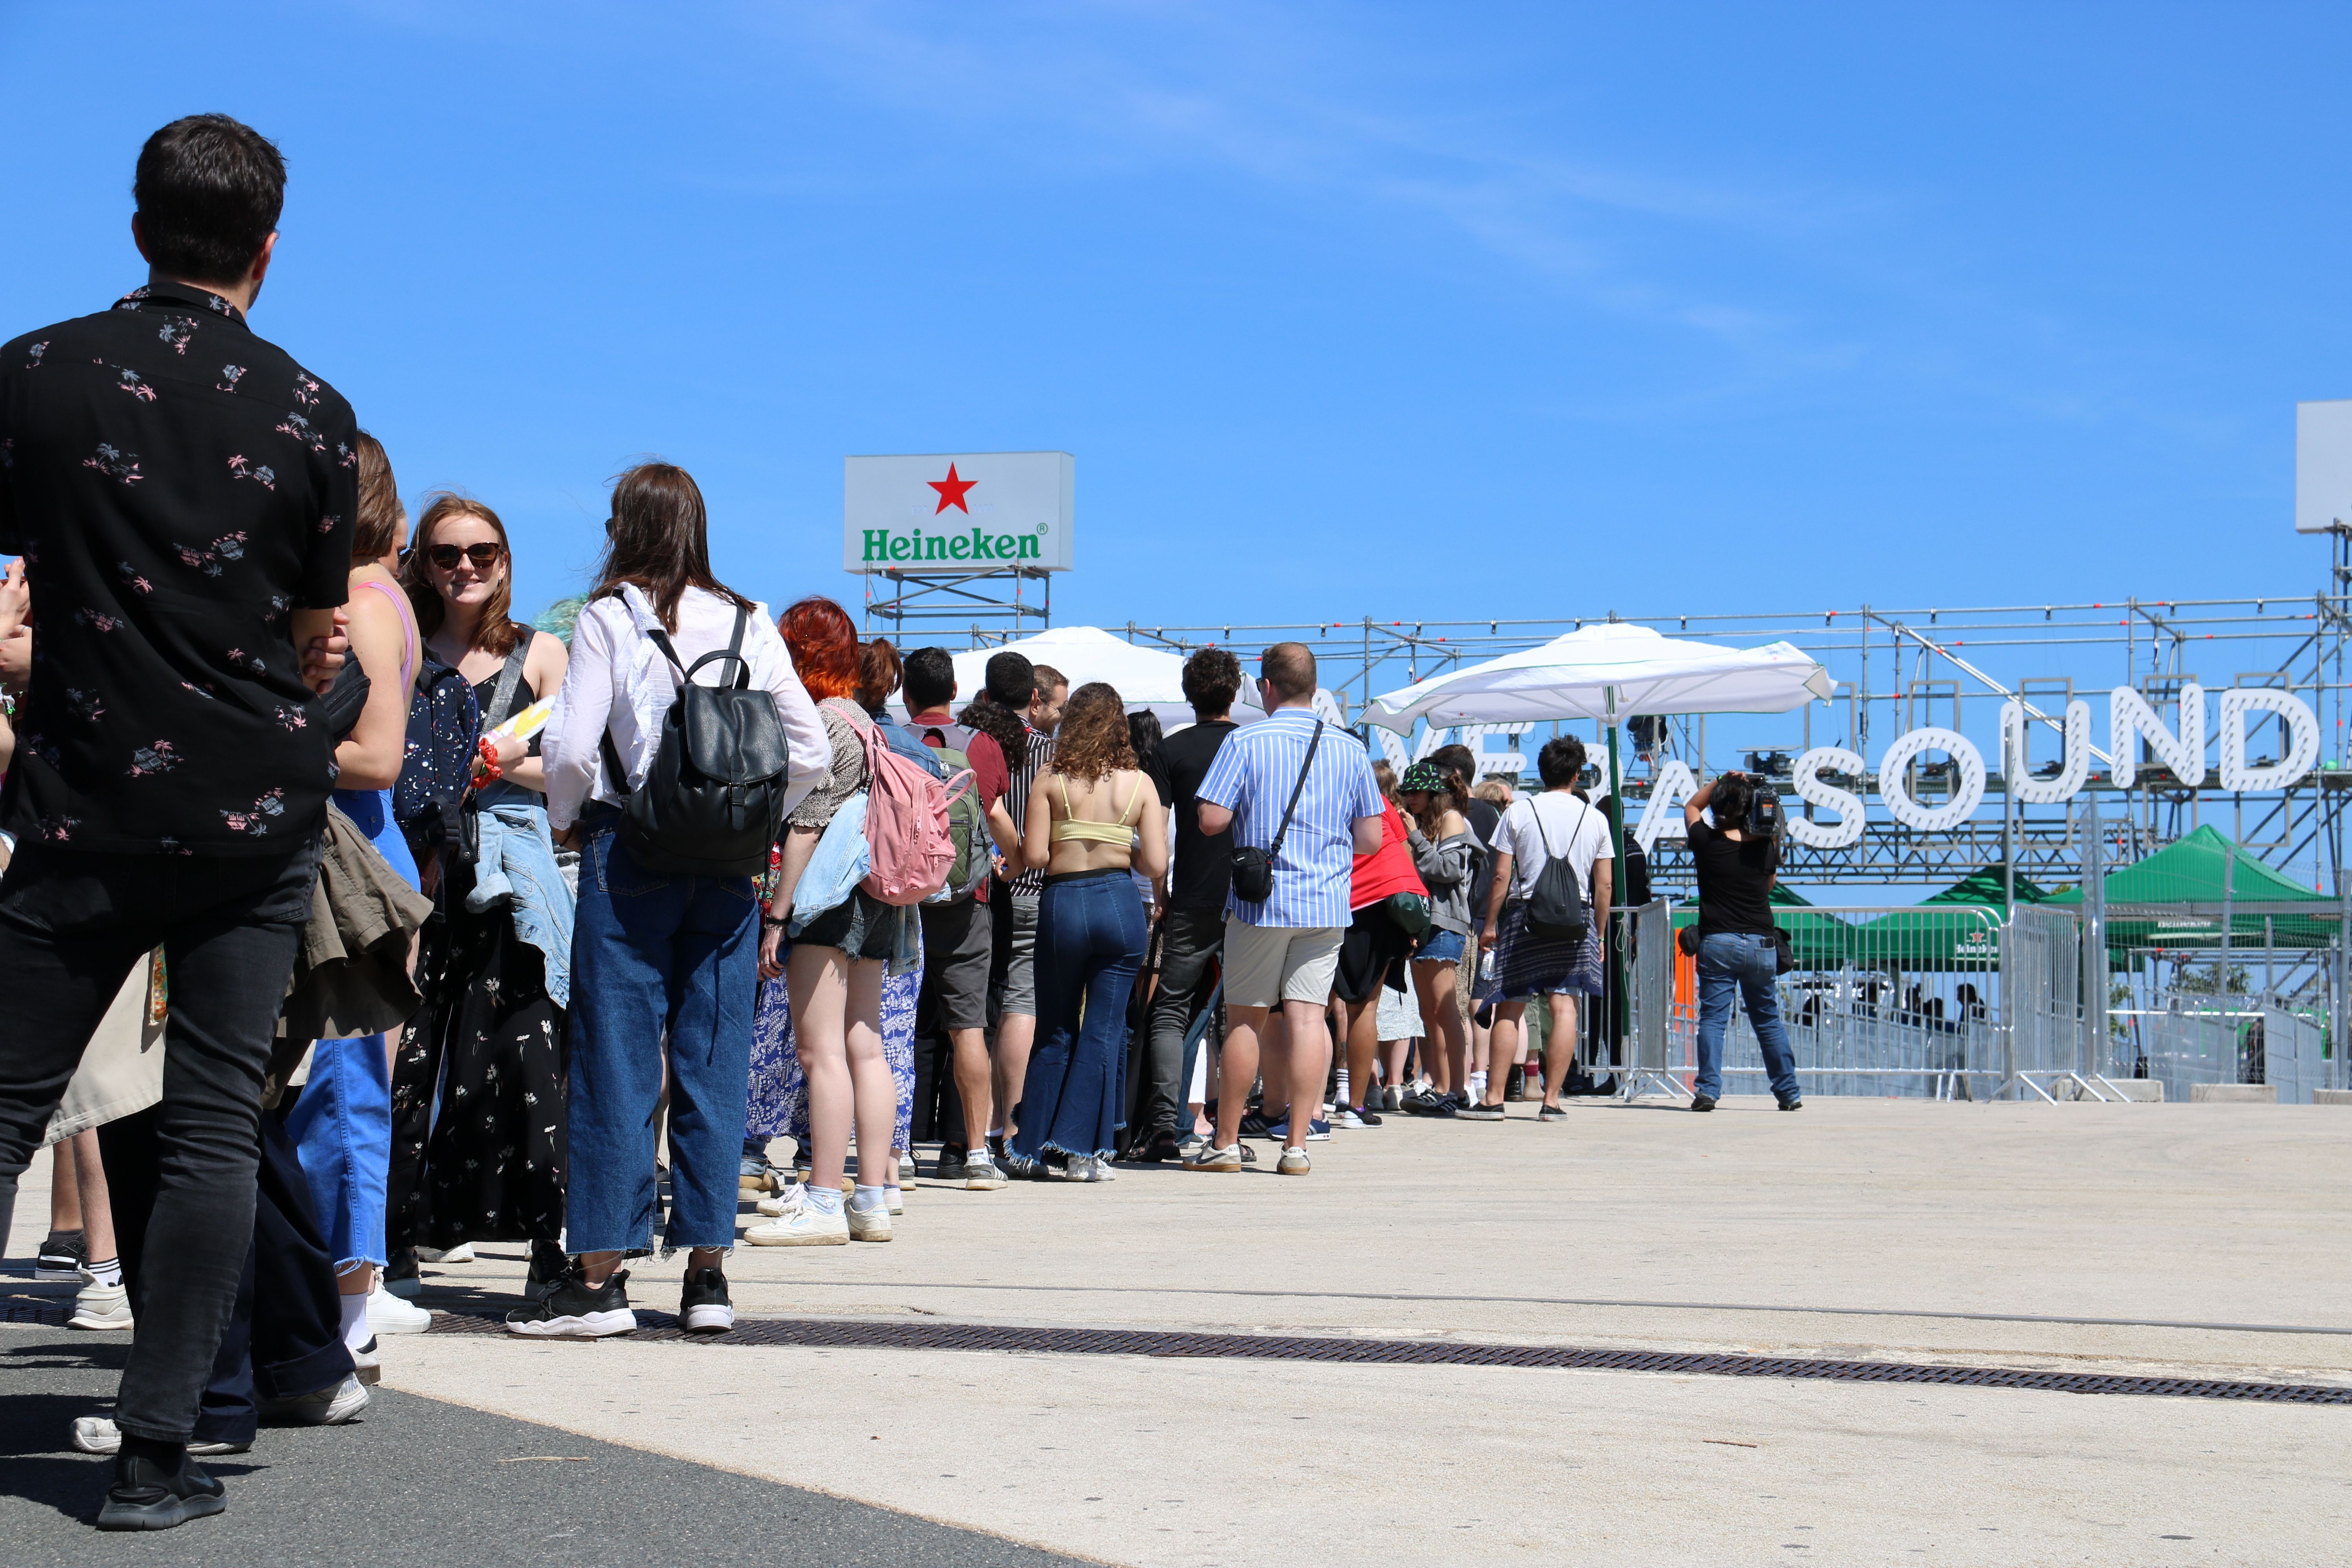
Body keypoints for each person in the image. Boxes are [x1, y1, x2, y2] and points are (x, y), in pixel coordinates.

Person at [0, 114, 359, 1530]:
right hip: (250, 817)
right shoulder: (313, 409)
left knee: (9, 1107)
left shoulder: (36, 374)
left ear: (138, 227)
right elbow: (320, 635)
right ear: (268, 248)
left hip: (83, 806)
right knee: (212, 1127)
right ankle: (156, 1456)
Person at [515, 463, 828, 1336]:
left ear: (625, 525)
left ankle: (601, 1278)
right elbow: (808, 748)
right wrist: (759, 814)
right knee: (713, 1058)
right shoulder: (749, 619)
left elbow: (574, 748)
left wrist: (572, 819)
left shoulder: (610, 617)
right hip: (728, 866)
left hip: (633, 853)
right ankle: (707, 1276)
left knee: (618, 1059)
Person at [387, 490, 574, 1305]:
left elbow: (578, 777)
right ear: (422, 561)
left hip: (514, 882)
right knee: (407, 1058)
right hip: (418, 869)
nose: (466, 567)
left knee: (529, 1057)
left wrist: (501, 764)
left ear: (505, 562)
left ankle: (547, 1241)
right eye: (447, 553)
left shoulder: (541, 654)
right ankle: (392, 1242)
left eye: (483, 553)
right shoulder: (399, 644)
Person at [282, 431, 427, 1346]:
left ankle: (351, 1291)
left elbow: (375, 756)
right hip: (357, 852)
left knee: (340, 1083)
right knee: (337, 1080)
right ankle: (346, 1285)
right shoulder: (380, 596)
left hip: (352, 856)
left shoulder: (365, 600)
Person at [742, 639, 932, 1214]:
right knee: (865, 1046)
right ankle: (873, 1194)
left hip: (828, 899)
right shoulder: (869, 724)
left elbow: (805, 828)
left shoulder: (827, 721)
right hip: (877, 899)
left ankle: (824, 1195)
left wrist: (777, 916)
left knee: (818, 1050)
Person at [1186, 645, 1382, 1176]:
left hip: (1261, 903)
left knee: (1246, 1019)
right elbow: (1370, 837)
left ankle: (1226, 1140)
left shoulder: (1245, 741)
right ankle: (1297, 1144)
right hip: (1325, 903)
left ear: (1266, 687)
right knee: (1308, 1020)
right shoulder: (1349, 748)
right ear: (1315, 689)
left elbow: (1210, 819)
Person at [1005, 684, 1167, 1180]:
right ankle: (1082, 1152)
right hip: (1119, 904)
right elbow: (1158, 864)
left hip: (1064, 903)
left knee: (1055, 1025)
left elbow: (1033, 857)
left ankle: (1031, 1148)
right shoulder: (1139, 783)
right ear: (1119, 724)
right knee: (1104, 1029)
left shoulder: (1050, 777)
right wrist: (1122, 847)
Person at [901, 645, 1021, 1189]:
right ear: (955, 693)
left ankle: (893, 1152)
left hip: (900, 901)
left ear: (906, 695)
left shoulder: (891, 742)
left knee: (892, 1029)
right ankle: (976, 1155)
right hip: (966, 902)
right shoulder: (982, 746)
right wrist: (1012, 865)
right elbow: (997, 819)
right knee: (967, 1028)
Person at [1470, 737, 1613, 1121]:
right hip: (1576, 920)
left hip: (1525, 916)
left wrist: (1489, 925)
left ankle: (1494, 1099)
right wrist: (1598, 932)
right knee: (1564, 1006)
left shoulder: (1518, 813)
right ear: (1577, 773)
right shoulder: (1595, 819)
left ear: (1541, 770)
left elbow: (1501, 875)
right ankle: (1552, 1101)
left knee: (1511, 1005)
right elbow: (1604, 886)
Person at [1137, 649, 1243, 1161]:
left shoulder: (1170, 752)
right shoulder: (1252, 746)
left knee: (1171, 1009)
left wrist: (1160, 891)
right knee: (1244, 1014)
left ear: (1188, 694)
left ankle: (1163, 1125)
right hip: (1250, 897)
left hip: (1192, 894)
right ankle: (1231, 1131)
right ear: (1237, 691)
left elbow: (1157, 832)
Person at [1682, 771, 1802, 1112]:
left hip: (1718, 941)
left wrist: (1721, 780)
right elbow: (1769, 885)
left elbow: (1692, 805)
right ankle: (1789, 1093)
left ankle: (1707, 1091)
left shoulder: (1706, 841)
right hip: (1761, 943)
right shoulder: (1766, 845)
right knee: (1767, 1019)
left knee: (1714, 1020)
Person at [991, 657, 1066, 1155]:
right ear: (1035, 699)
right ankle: (1009, 1121)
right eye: (1058, 705)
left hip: (986, 889)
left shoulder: (981, 744)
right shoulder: (1050, 758)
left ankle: (980, 1123)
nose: (1060, 715)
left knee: (982, 1010)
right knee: (1021, 1004)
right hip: (1035, 887)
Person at [1331, 759, 1424, 1130]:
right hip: (1390, 902)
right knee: (1365, 1008)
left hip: (1345, 902)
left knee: (1313, 1008)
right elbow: (1405, 855)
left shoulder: (1327, 797)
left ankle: (1309, 1104)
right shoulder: (1381, 802)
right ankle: (1354, 1105)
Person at [1397, 759, 1479, 1116]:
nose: (1409, 799)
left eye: (1414, 793)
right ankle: (1443, 1087)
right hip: (1422, 927)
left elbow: (1447, 871)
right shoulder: (1429, 823)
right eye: (1405, 793)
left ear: (1434, 792)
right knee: (1428, 1013)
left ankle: (1459, 1090)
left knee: (1446, 1010)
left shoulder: (1452, 819)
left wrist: (1414, 836)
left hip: (1446, 923)